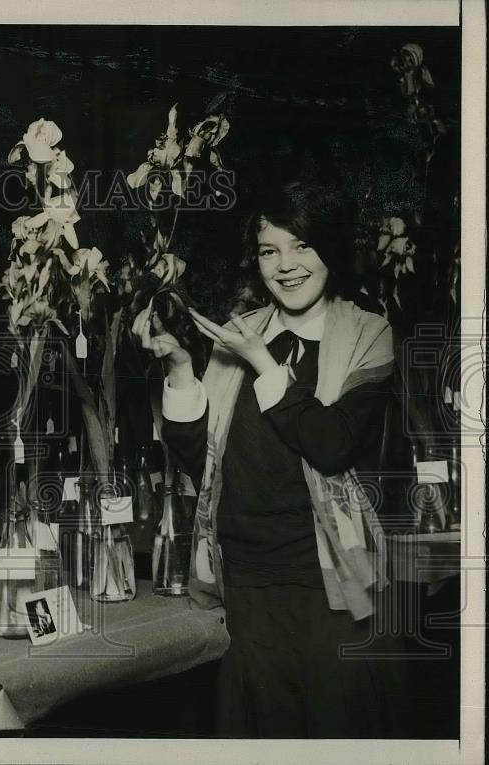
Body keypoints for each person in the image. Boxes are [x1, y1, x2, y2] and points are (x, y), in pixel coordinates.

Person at [132, 180, 405, 738]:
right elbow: (201, 464)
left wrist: (262, 361)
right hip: (247, 587)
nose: (286, 265)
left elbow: (330, 444)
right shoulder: (242, 333)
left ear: (328, 246)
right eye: (269, 250)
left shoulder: (367, 333)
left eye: (301, 245)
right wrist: (182, 367)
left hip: (330, 588)